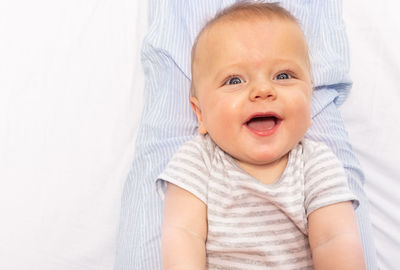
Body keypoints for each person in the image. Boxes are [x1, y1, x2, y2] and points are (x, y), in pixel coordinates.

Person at [115, 1, 377, 269]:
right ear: (200, 114)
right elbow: (183, 235)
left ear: (310, 102)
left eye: (283, 75)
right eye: (235, 80)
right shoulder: (196, 162)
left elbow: (334, 240)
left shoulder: (317, 164)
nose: (263, 90)